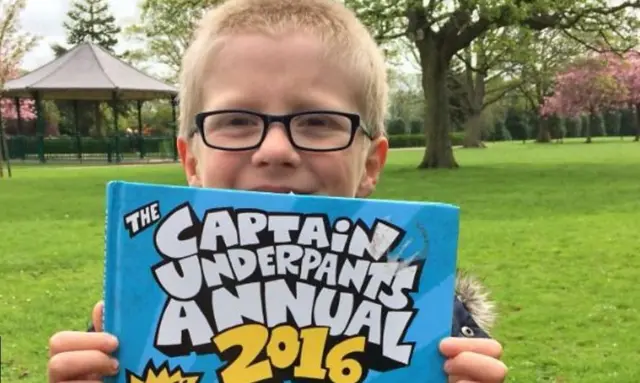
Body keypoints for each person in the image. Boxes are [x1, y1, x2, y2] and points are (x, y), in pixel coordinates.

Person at [47, 0, 508, 382]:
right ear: (191, 160)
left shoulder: (431, 319)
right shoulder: (132, 320)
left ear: (370, 164)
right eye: (236, 121)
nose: (275, 150)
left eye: (318, 122)